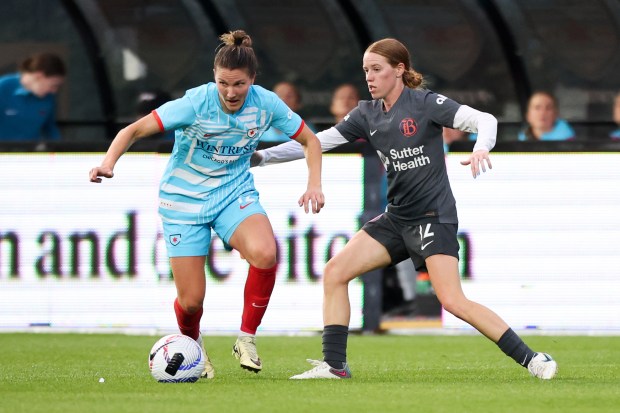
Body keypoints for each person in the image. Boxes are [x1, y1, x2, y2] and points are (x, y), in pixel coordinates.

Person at [252, 37, 558, 380]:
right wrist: (261, 157)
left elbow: (485, 120)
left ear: (399, 70)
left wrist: (481, 148)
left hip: (433, 216)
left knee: (453, 301)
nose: (369, 77)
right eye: (366, 70)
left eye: (377, 70)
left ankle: (533, 359)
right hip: (398, 218)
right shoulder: (366, 114)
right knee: (335, 272)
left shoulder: (425, 104)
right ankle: (334, 366)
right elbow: (316, 142)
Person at [89, 30, 325, 378]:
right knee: (191, 301)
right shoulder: (195, 102)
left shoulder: (266, 103)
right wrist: (108, 163)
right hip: (183, 202)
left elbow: (310, 140)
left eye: (239, 84)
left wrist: (314, 184)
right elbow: (133, 130)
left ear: (253, 80)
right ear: (214, 78)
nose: (231, 92)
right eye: (223, 83)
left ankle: (246, 338)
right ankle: (193, 348)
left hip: (234, 194)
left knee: (265, 252)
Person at [0, 52, 66, 141]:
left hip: (30, 152)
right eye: (53, 85)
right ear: (39, 76)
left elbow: (50, 128)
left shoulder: (48, 98)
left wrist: (60, 150)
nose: (54, 91)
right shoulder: (4, 87)